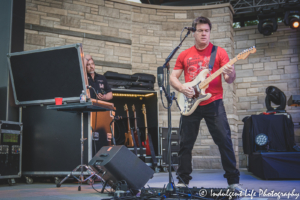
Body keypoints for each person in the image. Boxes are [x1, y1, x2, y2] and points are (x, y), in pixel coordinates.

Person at [170, 16, 244, 192]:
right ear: (194, 32)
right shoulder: (184, 54)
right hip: (190, 103)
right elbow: (173, 77)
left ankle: (233, 181)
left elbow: (229, 79)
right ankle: (182, 179)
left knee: (224, 141)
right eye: (200, 30)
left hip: (214, 102)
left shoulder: (219, 53)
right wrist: (182, 88)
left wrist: (231, 72)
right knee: (185, 144)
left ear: (210, 32)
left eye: (207, 31)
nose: (204, 34)